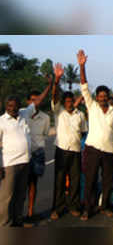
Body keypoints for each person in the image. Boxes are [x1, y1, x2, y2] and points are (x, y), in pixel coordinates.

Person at [0, 80, 52, 226]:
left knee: (20, 195)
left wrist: (49, 84)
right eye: (10, 105)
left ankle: (17, 220)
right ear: (6, 106)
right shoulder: (1, 121)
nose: (13, 108)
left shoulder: (23, 114)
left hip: (25, 162)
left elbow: (38, 100)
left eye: (16, 105)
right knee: (6, 197)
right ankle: (4, 224)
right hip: (9, 164)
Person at [77, 50, 113, 221]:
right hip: (93, 149)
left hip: (109, 151)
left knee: (108, 182)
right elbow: (84, 87)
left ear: (108, 97)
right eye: (100, 96)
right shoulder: (92, 106)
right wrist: (82, 66)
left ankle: (105, 207)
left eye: (105, 95)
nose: (102, 98)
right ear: (97, 97)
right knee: (90, 181)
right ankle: (88, 209)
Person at [50, 63, 88, 220]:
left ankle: (73, 206)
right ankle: (57, 209)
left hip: (76, 151)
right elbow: (54, 96)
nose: (69, 103)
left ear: (73, 101)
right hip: (61, 150)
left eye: (71, 100)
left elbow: (84, 131)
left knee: (75, 181)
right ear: (63, 102)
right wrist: (57, 80)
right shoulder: (58, 112)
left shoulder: (80, 114)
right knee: (59, 181)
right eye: (66, 101)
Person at [24, 89, 51, 223]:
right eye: (32, 100)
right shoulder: (22, 114)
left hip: (38, 153)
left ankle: (30, 212)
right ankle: (17, 213)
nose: (35, 102)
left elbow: (46, 134)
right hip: (23, 154)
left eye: (38, 99)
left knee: (33, 183)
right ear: (28, 102)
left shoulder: (45, 118)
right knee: (21, 184)